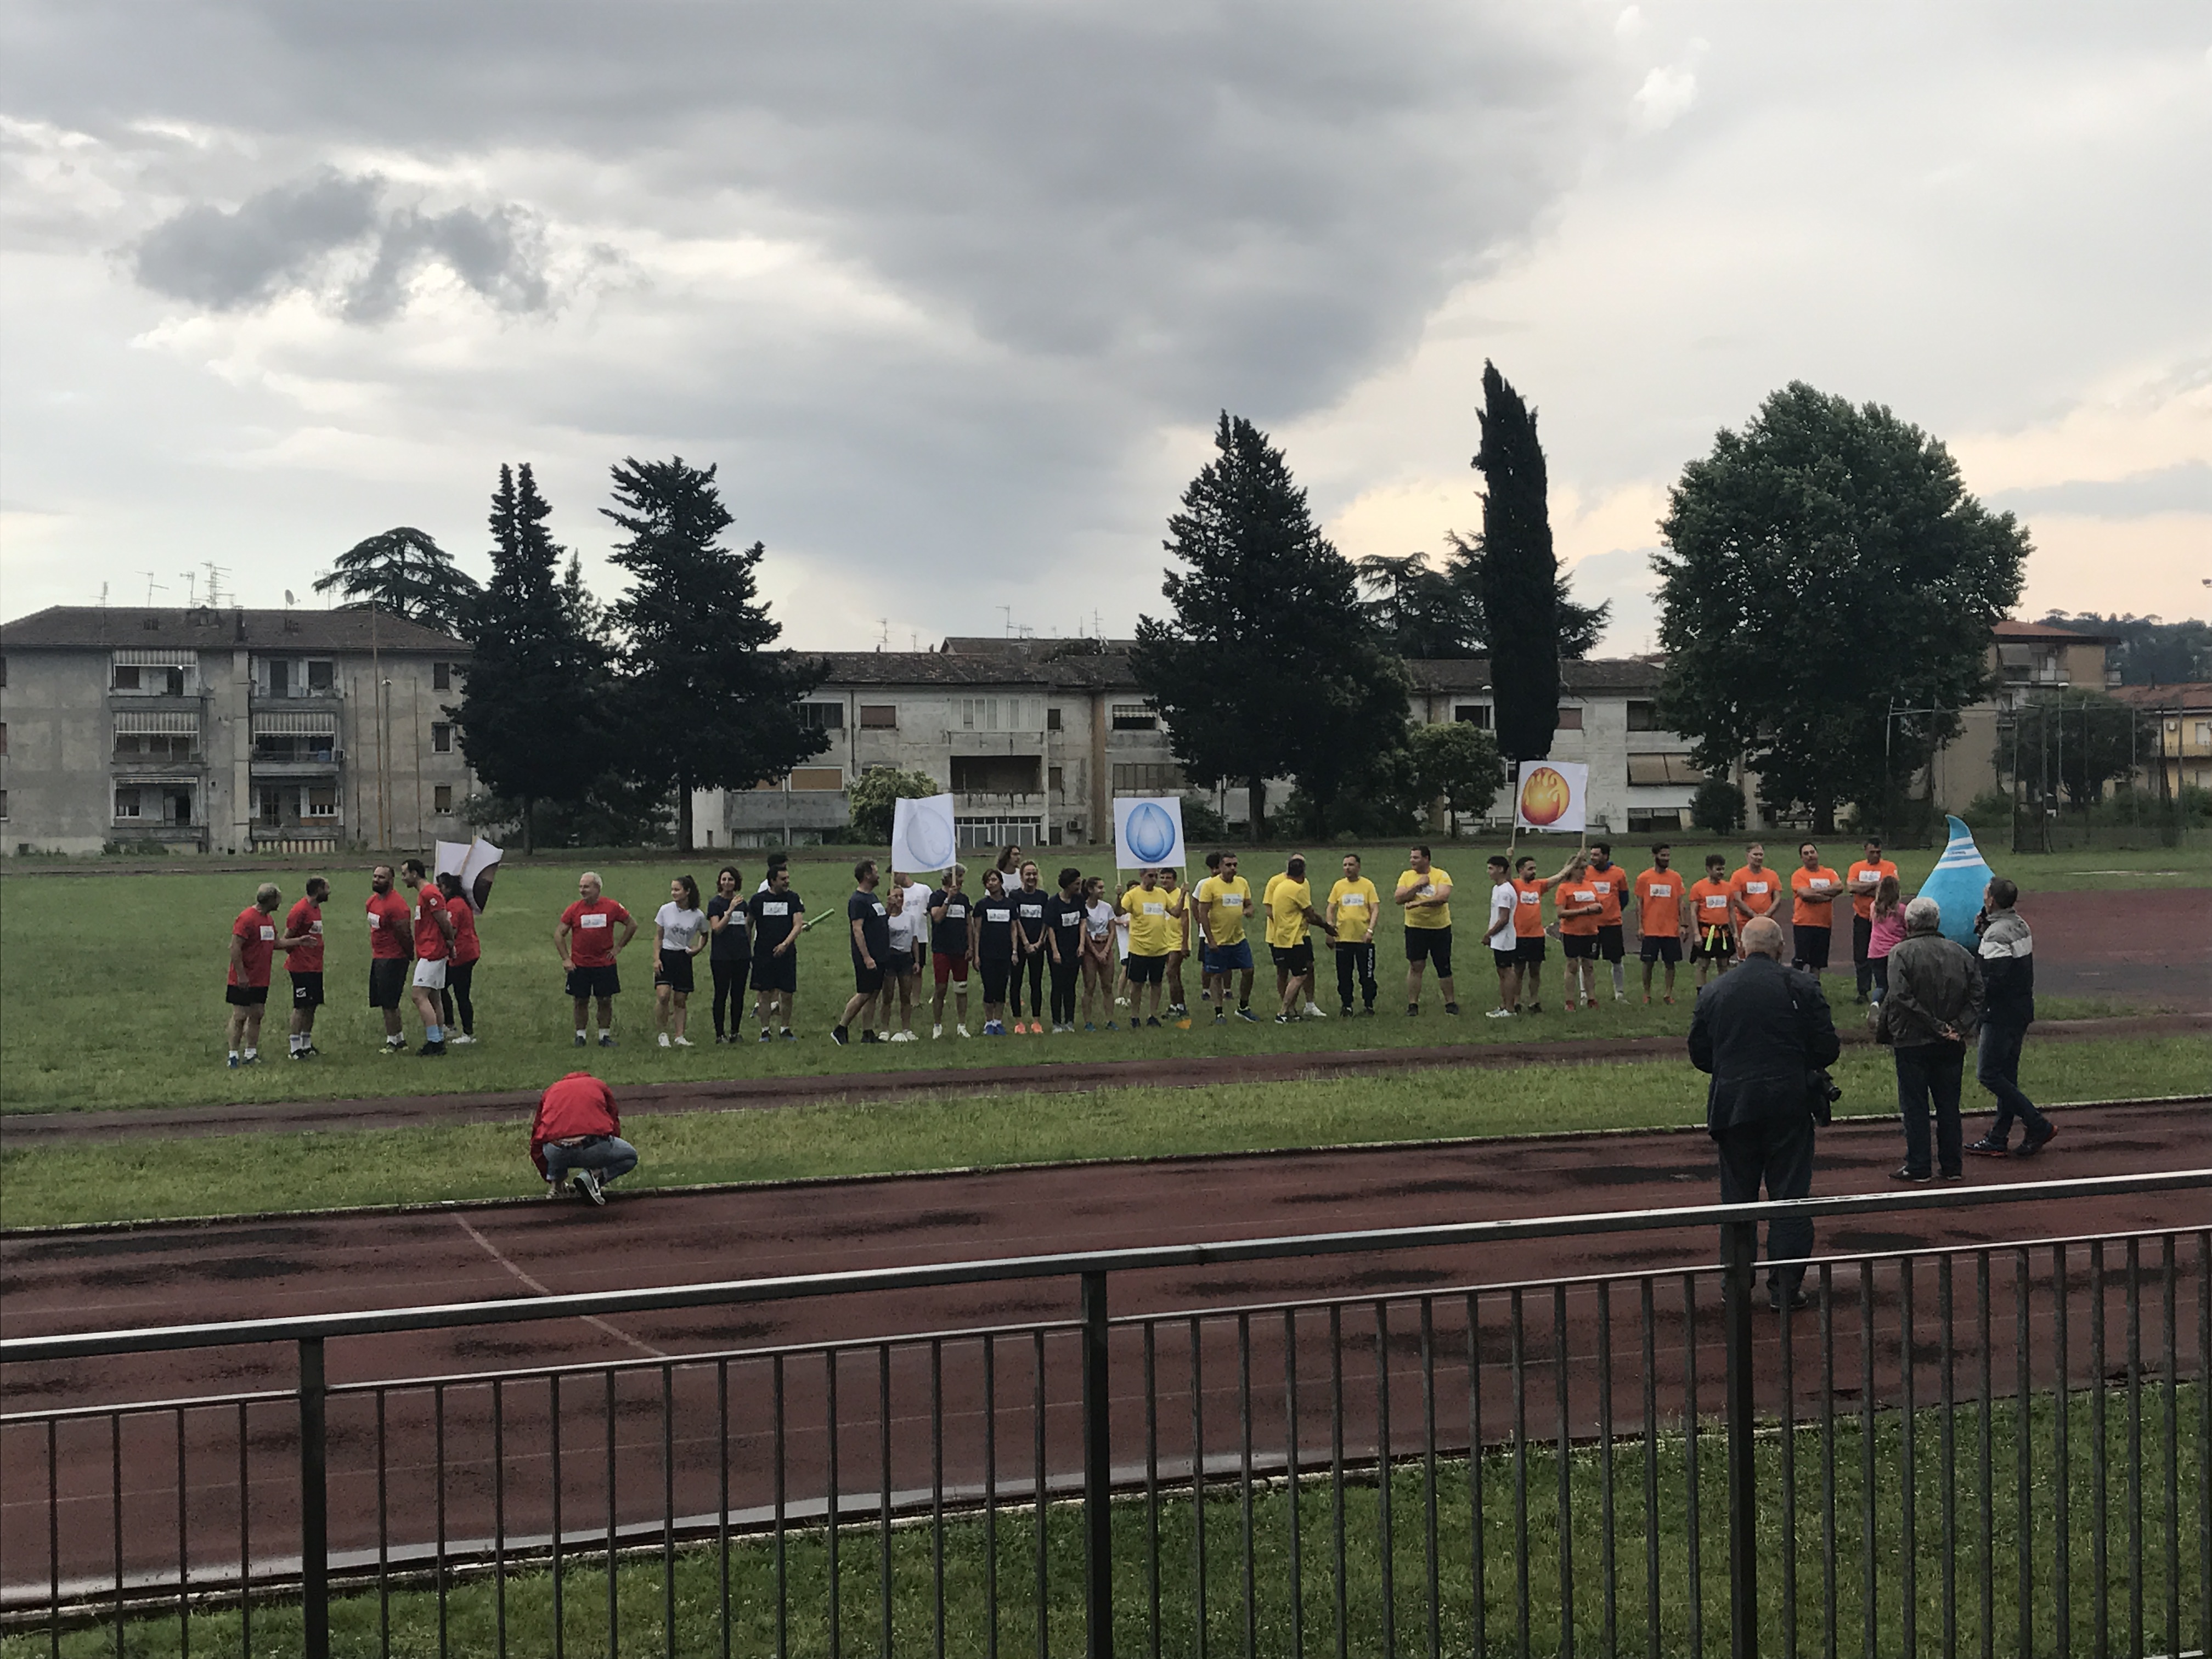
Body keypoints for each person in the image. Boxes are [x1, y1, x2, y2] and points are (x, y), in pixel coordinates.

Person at [1687, 915, 1841, 1312]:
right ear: (1780, 948)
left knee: (1737, 1202)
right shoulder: (1803, 986)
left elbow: (1700, 1054)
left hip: (1733, 1106)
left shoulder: (1715, 990)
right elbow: (1827, 1049)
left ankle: (1735, 1286)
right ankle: (1785, 1289)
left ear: (1740, 948)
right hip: (1789, 1105)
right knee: (1790, 1200)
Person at [1877, 895, 1985, 1183]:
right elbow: (1978, 995)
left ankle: (1919, 1165)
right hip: (1951, 1042)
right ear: (1937, 922)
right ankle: (1951, 1166)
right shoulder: (1961, 953)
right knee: (1949, 1106)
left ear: (1909, 923)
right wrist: (1957, 1027)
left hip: (1912, 1041)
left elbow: (1900, 996)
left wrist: (1936, 1026)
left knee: (1915, 1106)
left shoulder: (1899, 953)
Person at [1966, 877, 2056, 1158]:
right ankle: (1998, 1136)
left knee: (1988, 1074)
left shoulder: (1996, 935)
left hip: (1999, 1014)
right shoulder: (2020, 925)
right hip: (2020, 1010)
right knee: (2007, 1076)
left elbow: (1993, 980)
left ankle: (2037, 1123)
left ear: (1992, 900)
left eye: (1985, 894)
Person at [529, 1071, 639, 1206]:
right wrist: (605, 1157)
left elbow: (537, 1135)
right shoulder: (599, 1085)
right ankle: (593, 1177)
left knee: (554, 1140)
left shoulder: (551, 1090)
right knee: (630, 1156)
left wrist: (548, 1174)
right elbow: (613, 1119)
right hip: (592, 1147)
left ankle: (556, 1188)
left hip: (555, 1150)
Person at [556, 871, 636, 1048]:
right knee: (580, 1000)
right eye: (581, 887)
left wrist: (619, 947)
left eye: (587, 887)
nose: (582, 890)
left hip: (604, 964)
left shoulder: (612, 907)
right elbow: (559, 934)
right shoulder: (574, 909)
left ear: (597, 888)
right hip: (580, 965)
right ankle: (580, 1036)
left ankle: (604, 1036)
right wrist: (566, 959)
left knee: (605, 1000)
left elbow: (632, 924)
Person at [225, 882, 298, 1066]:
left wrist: (300, 941)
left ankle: (251, 1052)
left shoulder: (268, 920)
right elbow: (235, 948)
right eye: (278, 899)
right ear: (271, 900)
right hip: (243, 978)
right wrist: (241, 975)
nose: (280, 903)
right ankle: (233, 1054)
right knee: (240, 1016)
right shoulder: (246, 918)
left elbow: (275, 944)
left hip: (261, 978)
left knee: (257, 1014)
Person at [1263, 854, 1334, 1022]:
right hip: (1294, 938)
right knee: (1300, 975)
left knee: (1297, 972)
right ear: (1303, 872)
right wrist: (1327, 927)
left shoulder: (1281, 886)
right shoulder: (1297, 889)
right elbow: (1310, 915)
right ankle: (1283, 1012)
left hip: (1281, 936)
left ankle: (1291, 1011)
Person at [398, 859, 455, 1056]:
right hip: (430, 949)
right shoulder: (424, 894)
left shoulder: (430, 893)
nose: (403, 877)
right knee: (434, 996)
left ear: (415, 874)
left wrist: (450, 942)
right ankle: (438, 1037)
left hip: (432, 951)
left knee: (418, 995)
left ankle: (435, 1042)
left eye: (405, 873)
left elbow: (444, 921)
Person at [1192, 851, 1258, 1024]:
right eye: (1228, 865)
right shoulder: (1210, 886)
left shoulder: (1242, 883)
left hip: (1238, 938)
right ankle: (1219, 1012)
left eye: (1235, 865)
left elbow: (1249, 904)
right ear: (1220, 866)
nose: (1233, 868)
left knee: (1249, 971)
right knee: (1216, 975)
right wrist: (1210, 939)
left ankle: (1243, 1007)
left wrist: (1249, 911)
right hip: (1218, 939)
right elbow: (1203, 913)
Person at [1394, 846, 1458, 1015]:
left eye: (1416, 858)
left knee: (1443, 965)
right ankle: (1413, 1004)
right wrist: (1416, 886)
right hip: (1415, 928)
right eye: (1411, 857)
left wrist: (1418, 903)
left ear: (1427, 859)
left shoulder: (1441, 875)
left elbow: (1442, 898)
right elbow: (1399, 898)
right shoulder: (1406, 876)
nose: (1412, 861)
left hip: (1440, 928)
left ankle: (1450, 1003)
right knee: (1416, 965)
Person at [1508, 853, 1575, 1012]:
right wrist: (1509, 858)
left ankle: (1534, 1001)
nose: (1534, 872)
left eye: (1535, 868)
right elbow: (1505, 876)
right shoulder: (1515, 886)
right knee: (1518, 971)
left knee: (1535, 971)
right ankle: (1516, 1001)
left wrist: (1575, 862)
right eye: (1530, 869)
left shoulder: (1539, 885)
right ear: (1521, 870)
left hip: (1537, 936)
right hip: (1519, 935)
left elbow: (1560, 876)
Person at [834, 859, 890, 1046]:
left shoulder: (873, 897)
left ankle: (868, 1033)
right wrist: (866, 957)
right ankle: (841, 1028)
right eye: (876, 871)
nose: (879, 875)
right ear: (867, 875)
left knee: (873, 994)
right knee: (864, 993)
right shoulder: (858, 900)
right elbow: (858, 930)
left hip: (880, 954)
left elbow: (879, 921)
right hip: (868, 956)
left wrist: (890, 909)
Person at [746, 864, 804, 1040]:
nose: (787, 882)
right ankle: (765, 1030)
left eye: (787, 878)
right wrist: (747, 949)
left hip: (786, 953)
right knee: (765, 993)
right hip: (763, 953)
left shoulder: (793, 899)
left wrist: (785, 944)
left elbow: (798, 925)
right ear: (772, 881)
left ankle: (785, 1029)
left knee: (787, 993)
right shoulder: (758, 900)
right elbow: (749, 924)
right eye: (783, 879)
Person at [1119, 867, 1181, 1028]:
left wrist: (1184, 894)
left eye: (1156, 876)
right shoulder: (1133, 895)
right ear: (1142, 876)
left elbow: (1175, 912)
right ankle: (1135, 1016)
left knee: (1157, 983)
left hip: (1159, 948)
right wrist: (1119, 895)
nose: (1154, 879)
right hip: (1139, 949)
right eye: (1151, 876)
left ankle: (1152, 1015)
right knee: (1137, 984)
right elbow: (1119, 911)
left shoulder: (1162, 894)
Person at [651, 874, 707, 1048]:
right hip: (666, 955)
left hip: (683, 957)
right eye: (672, 889)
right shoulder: (665, 910)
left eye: (677, 889)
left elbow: (705, 934)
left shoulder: (697, 915)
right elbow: (658, 936)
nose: (673, 893)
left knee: (681, 999)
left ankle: (679, 1036)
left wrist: (698, 949)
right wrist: (656, 958)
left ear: (688, 891)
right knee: (663, 995)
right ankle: (663, 1034)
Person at [1326, 853, 1383, 1017]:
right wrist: (1330, 927)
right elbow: (1331, 908)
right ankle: (1347, 1005)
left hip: (1363, 939)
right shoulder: (1338, 886)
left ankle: (1369, 1005)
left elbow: (1375, 909)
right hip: (1343, 939)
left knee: (1367, 975)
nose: (1347, 868)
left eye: (1351, 865)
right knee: (1344, 975)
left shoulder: (1367, 885)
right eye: (1345, 865)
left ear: (1358, 867)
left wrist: (1370, 931)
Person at [365, 863, 414, 1053]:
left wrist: (409, 955)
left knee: (390, 1002)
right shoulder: (372, 902)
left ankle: (394, 1041)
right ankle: (397, 1038)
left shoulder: (397, 906)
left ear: (391, 881)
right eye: (375, 876)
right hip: (378, 956)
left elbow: (405, 934)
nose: (377, 880)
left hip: (393, 958)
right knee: (384, 1001)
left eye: (382, 877)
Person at [1632, 846, 1689, 1005]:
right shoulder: (1644, 878)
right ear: (1655, 856)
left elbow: (1680, 902)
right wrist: (1640, 926)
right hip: (1651, 928)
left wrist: (1683, 925)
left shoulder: (1676, 878)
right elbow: (1640, 904)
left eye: (1668, 856)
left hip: (1670, 929)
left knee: (1670, 963)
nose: (1666, 858)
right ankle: (1647, 994)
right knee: (1648, 963)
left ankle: (1668, 994)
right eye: (1663, 855)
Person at [1846, 838, 1899, 1003]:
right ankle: (1863, 991)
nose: (1876, 855)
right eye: (1872, 852)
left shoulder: (1890, 866)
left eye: (1879, 852)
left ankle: (1885, 989)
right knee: (1861, 954)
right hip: (1862, 917)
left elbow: (1890, 891)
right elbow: (1851, 888)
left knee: (1884, 953)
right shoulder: (1857, 867)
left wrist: (1863, 888)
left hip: (1883, 918)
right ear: (1865, 851)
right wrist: (1877, 886)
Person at [283, 877, 329, 1059]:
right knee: (301, 1005)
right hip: (301, 967)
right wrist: (298, 955)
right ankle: (295, 1047)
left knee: (312, 1005)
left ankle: (307, 1043)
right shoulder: (300, 910)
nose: (329, 892)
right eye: (327, 888)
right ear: (318, 890)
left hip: (315, 966)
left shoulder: (315, 909)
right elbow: (287, 938)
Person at [1553, 855, 1605, 1013]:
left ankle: (1592, 998)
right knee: (1572, 965)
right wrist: (1585, 911)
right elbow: (1561, 913)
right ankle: (1569, 1000)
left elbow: (1598, 904)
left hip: (1590, 931)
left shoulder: (1590, 886)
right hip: (1571, 932)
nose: (1584, 871)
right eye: (1580, 868)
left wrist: (1598, 908)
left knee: (1589, 966)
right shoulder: (1564, 888)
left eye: (1585, 868)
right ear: (1572, 870)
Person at [969, 868, 1019, 1035]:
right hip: (986, 953)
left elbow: (1014, 928)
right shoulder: (982, 905)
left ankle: (999, 1022)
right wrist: (976, 955)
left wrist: (1014, 951)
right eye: (989, 881)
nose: (992, 883)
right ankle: (988, 1022)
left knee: (1001, 987)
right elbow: (977, 931)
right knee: (989, 988)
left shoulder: (1010, 904)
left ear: (1000, 882)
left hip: (1004, 953)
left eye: (994, 880)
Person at [927, 865, 973, 1038]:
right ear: (948, 878)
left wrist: (971, 947)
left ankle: (962, 1025)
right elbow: (937, 917)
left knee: (961, 988)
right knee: (941, 988)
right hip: (942, 949)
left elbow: (969, 924)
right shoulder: (936, 897)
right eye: (959, 877)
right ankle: (937, 1026)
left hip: (960, 950)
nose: (962, 880)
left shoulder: (964, 899)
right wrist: (948, 899)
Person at [437, 872, 482, 1045]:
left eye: (441, 886)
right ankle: (451, 1025)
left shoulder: (454, 905)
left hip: (462, 954)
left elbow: (452, 931)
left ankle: (466, 1032)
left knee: (459, 993)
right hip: (466, 951)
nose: (439, 890)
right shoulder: (459, 903)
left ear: (448, 888)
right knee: (443, 986)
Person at [706, 865, 748, 1042]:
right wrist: (729, 911)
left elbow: (746, 928)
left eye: (730, 879)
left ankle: (735, 1032)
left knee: (738, 995)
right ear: (719, 883)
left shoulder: (743, 904)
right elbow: (717, 929)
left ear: (736, 882)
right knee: (721, 994)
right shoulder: (715, 904)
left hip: (742, 956)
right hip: (722, 957)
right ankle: (719, 1034)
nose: (727, 882)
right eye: (724, 879)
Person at [1788, 842, 1844, 976]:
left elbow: (1839, 888)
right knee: (1800, 961)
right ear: (1802, 858)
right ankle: (1796, 989)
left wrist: (1816, 891)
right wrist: (1827, 897)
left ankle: (1814, 990)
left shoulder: (1829, 872)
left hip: (1824, 924)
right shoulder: (1799, 875)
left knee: (1817, 963)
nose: (1810, 856)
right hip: (1804, 924)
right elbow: (1806, 895)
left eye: (1812, 852)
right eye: (1806, 854)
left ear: (1817, 854)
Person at [1584, 842, 1629, 1002]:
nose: (1593, 858)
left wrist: (1612, 911)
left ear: (1606, 856)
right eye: (1591, 855)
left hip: (1612, 924)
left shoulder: (1618, 873)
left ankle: (1620, 993)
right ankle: (1585, 994)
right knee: (1587, 960)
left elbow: (1624, 898)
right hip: (1591, 925)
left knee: (1616, 958)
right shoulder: (1586, 872)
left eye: (1596, 855)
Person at [1044, 867, 1087, 1033]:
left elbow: (1083, 921)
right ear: (1068, 885)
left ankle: (1070, 1021)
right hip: (1058, 948)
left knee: (1071, 986)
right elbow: (1050, 928)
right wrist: (1055, 951)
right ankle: (1057, 1022)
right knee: (1058, 985)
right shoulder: (1053, 903)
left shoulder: (1079, 900)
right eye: (1076, 883)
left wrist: (1082, 944)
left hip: (1074, 948)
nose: (1079, 886)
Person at [1011, 861, 1050, 1035]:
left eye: (1034, 874)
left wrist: (1040, 942)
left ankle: (1036, 1021)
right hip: (1019, 946)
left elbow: (1045, 921)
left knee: (1036, 983)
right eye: (1028, 874)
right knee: (1016, 983)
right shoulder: (1015, 896)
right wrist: (1025, 943)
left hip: (1037, 947)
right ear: (1021, 877)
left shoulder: (1043, 896)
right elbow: (1016, 921)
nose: (1031, 877)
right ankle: (1018, 1022)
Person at [883, 882, 923, 1040]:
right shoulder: (885, 918)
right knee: (888, 995)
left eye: (901, 896)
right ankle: (885, 1029)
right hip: (890, 957)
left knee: (906, 995)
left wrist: (917, 961)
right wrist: (888, 910)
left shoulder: (910, 917)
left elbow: (914, 939)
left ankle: (906, 1028)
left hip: (905, 958)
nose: (899, 899)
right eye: (896, 896)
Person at [1688, 854, 1735, 987]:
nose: (1721, 873)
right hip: (1706, 933)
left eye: (1722, 869)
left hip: (1723, 933)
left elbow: (1731, 911)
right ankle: (1701, 992)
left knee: (1723, 964)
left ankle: (1722, 990)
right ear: (1709, 869)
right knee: (1703, 965)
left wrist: (1735, 932)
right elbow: (1693, 912)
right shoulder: (1698, 888)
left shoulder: (1728, 888)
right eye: (1718, 869)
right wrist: (1696, 934)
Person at [1481, 854, 1519, 1019]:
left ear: (1500, 870)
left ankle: (1510, 1008)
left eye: (1491, 868)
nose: (1488, 872)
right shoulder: (1498, 888)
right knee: (1501, 971)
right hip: (1499, 938)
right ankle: (1504, 1005)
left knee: (1507, 971)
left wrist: (1489, 934)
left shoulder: (1504, 891)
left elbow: (1504, 919)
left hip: (1504, 938)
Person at [1079, 874, 1118, 1029]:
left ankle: (1110, 1020)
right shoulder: (1083, 907)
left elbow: (1113, 930)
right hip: (1091, 949)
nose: (1103, 890)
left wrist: (1106, 950)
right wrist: (1096, 952)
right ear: (1090, 890)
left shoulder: (1107, 907)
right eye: (1100, 888)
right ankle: (1088, 1022)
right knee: (1090, 985)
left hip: (1105, 946)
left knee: (1107, 985)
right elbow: (1085, 932)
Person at [1865, 874, 1906, 1002]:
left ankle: (1876, 1003)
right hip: (1894, 952)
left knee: (1880, 985)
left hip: (1875, 952)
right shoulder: (1901, 909)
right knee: (1895, 985)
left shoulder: (1874, 907)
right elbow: (1908, 928)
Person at [1728, 844, 1786, 934]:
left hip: (1767, 923)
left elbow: (1777, 898)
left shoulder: (1772, 875)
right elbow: (1737, 900)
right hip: (1745, 923)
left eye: (1761, 855)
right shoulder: (1738, 876)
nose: (1759, 858)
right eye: (1755, 855)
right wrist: (1753, 915)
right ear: (1747, 856)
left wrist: (1767, 914)